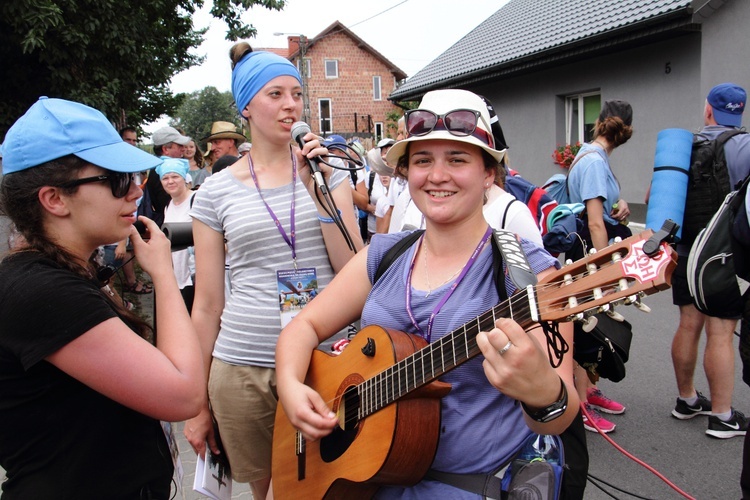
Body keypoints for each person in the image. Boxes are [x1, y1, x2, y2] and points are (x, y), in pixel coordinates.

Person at [275, 89, 582, 498]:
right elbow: (304, 325)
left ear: (489, 173)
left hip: (473, 487)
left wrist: (544, 392)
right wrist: (292, 385)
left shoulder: (528, 272)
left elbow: (559, 419)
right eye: (422, 160)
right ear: (406, 172)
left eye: (457, 159)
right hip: (368, 481)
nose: (437, 176)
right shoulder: (385, 253)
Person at [183, 43, 363, 500]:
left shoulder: (328, 172)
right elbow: (206, 305)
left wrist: (318, 188)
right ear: (245, 106)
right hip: (241, 364)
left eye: (297, 95)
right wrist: (196, 402)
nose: (290, 106)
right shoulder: (215, 193)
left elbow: (353, 269)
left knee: (331, 486)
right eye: (275, 94)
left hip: (325, 358)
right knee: (271, 492)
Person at [0, 97, 205, 498]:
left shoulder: (66, 270)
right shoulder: (43, 290)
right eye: (116, 179)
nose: (135, 191)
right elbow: (184, 394)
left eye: (136, 176)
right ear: (54, 199)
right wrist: (163, 274)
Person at [671, 83, 750, 440]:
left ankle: (687, 399)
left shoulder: (682, 146)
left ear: (708, 111)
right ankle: (722, 416)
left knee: (689, 324)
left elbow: (656, 196)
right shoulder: (744, 146)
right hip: (722, 255)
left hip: (686, 250)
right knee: (721, 331)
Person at [565, 99, 633, 434]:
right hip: (588, 257)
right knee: (584, 329)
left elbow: (600, 209)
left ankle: (588, 392)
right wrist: (605, 270)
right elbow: (594, 222)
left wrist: (618, 206)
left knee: (590, 326)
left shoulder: (595, 158)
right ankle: (579, 407)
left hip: (586, 253)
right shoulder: (593, 162)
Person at [159, 157, 196, 313]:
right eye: (165, 178)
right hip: (177, 275)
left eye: (175, 176)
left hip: (194, 276)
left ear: (184, 178)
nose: (170, 181)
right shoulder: (168, 206)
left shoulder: (196, 200)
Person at [148, 126, 190, 226]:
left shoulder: (158, 168)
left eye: (175, 177)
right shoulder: (162, 170)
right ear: (166, 149)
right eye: (180, 145)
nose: (184, 149)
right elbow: (168, 203)